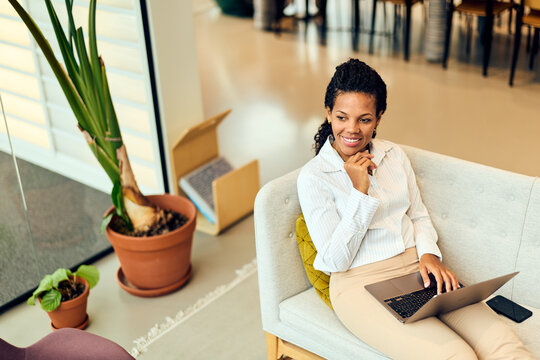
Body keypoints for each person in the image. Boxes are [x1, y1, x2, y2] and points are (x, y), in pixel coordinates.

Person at [296, 58, 532, 359]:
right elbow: (335, 260)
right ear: (328, 113)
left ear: (379, 118)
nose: (352, 130)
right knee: (455, 356)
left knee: (504, 343)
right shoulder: (314, 177)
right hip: (359, 284)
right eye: (342, 117)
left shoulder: (394, 156)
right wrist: (360, 193)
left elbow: (417, 214)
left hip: (417, 270)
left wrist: (430, 256)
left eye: (364, 119)